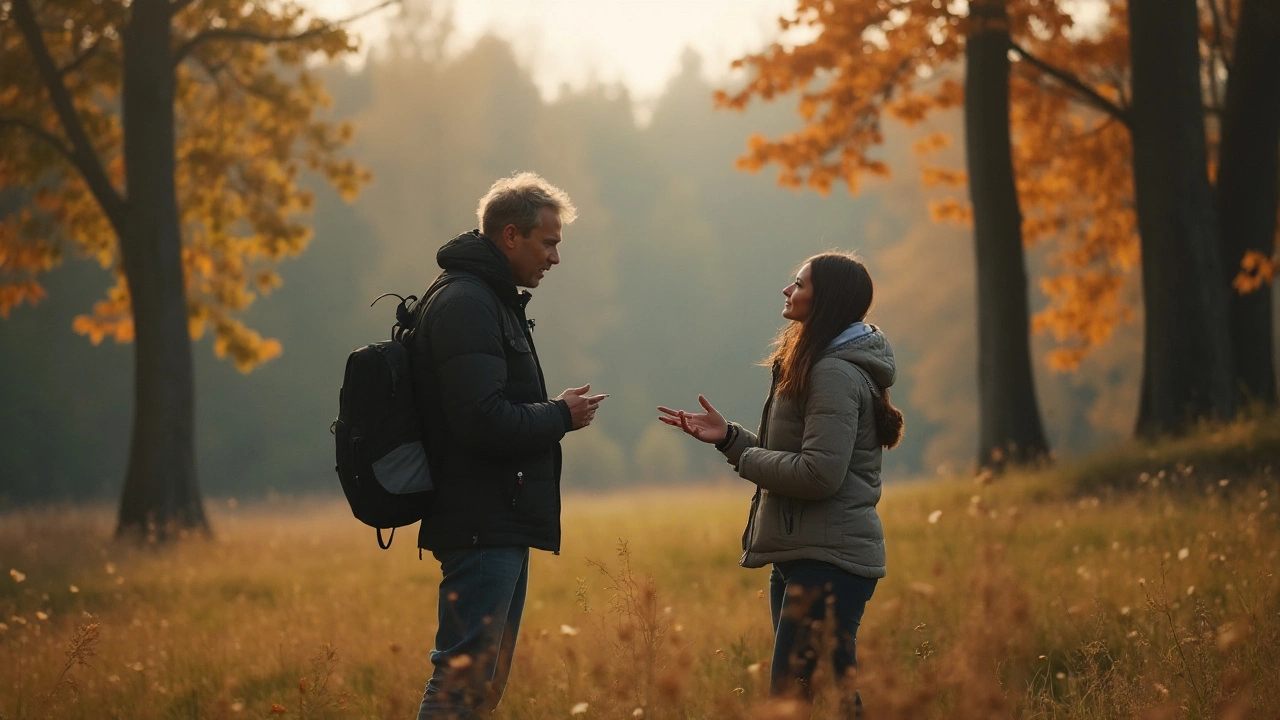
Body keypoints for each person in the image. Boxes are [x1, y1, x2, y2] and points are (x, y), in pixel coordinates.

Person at [658, 251, 903, 717]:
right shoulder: (817, 362)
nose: (787, 290)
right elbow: (795, 458)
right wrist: (729, 438)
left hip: (828, 562)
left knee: (797, 701)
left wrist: (745, 456)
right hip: (803, 557)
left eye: (799, 283)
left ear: (825, 299)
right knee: (823, 699)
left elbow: (818, 474)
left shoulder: (833, 373)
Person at [409, 172, 607, 719]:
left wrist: (553, 414)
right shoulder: (468, 303)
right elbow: (481, 421)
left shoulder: (487, 299)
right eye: (549, 243)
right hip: (480, 523)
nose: (555, 258)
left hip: (495, 519)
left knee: (482, 686)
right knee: (460, 680)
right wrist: (560, 415)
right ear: (511, 236)